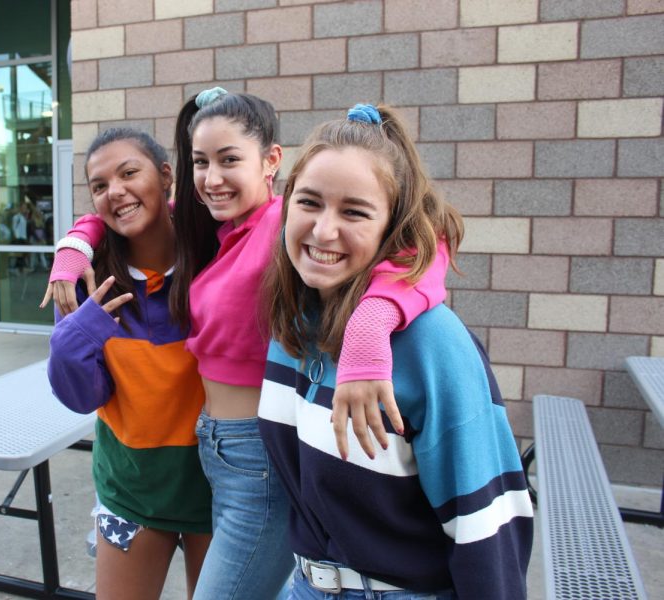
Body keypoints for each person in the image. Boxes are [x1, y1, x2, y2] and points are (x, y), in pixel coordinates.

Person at [43, 90, 450, 599]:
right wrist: (76, 246)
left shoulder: (258, 228)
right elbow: (124, 211)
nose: (213, 178)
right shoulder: (188, 243)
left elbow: (421, 238)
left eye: (229, 160)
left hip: (241, 463)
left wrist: (370, 328)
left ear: (272, 161)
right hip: (172, 473)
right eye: (202, 163)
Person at [258, 103, 533, 599]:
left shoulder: (433, 344)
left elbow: (486, 524)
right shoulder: (293, 324)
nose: (323, 230)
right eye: (310, 202)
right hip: (304, 584)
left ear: (393, 228)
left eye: (355, 212)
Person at [47, 128, 212, 600]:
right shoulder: (88, 279)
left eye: (128, 173)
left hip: (222, 494)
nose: (115, 191)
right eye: (99, 186)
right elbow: (81, 397)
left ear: (165, 177)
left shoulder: (216, 258)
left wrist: (77, 235)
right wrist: (78, 330)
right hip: (131, 493)